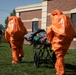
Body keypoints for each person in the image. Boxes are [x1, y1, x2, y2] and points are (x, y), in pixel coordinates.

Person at [46, 9, 75, 75]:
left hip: (58, 41)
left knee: (59, 56)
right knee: (61, 56)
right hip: (67, 41)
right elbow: (73, 31)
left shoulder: (55, 20)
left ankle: (60, 72)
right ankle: (57, 67)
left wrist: (49, 40)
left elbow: (49, 32)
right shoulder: (67, 18)